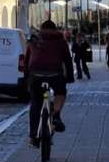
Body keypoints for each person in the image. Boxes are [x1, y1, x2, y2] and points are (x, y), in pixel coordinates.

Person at [24, 19, 74, 147]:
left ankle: (34, 137)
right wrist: (69, 77)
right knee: (61, 92)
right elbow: (68, 61)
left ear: (41, 29)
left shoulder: (34, 40)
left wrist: (27, 78)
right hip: (54, 74)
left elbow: (27, 60)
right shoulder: (61, 41)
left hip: (35, 75)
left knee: (35, 102)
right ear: (55, 29)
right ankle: (56, 115)